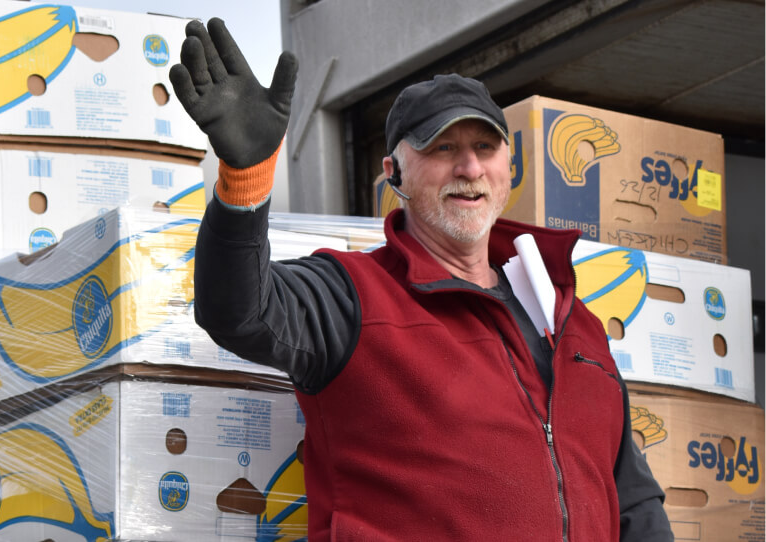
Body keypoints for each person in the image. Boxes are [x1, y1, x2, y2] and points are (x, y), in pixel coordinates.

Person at [169, 17, 673, 542]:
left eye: (485, 145)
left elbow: (631, 495)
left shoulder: (572, 320)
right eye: (442, 148)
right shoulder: (352, 296)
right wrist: (246, 177)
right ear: (395, 173)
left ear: (509, 165)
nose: (470, 167)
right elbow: (239, 310)